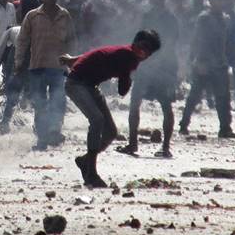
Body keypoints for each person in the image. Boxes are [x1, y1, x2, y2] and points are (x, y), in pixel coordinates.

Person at [61, 30, 162, 187]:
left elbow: (97, 54)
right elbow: (122, 90)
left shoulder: (127, 54)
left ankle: (85, 161)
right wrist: (129, 76)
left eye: (148, 52)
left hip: (90, 86)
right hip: (76, 84)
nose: (144, 53)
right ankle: (91, 173)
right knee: (97, 120)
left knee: (111, 132)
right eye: (143, 48)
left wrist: (73, 59)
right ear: (136, 43)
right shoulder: (128, 56)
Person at [118, 0, 179, 158]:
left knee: (166, 106)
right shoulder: (146, 15)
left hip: (164, 67)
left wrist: (156, 61)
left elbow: (170, 43)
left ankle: (166, 147)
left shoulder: (170, 19)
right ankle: (132, 144)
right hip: (145, 66)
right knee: (134, 103)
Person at [15, 0, 77, 150]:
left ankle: (55, 131)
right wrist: (19, 61)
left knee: (58, 101)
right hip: (38, 66)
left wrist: (72, 61)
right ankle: (42, 138)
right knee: (40, 103)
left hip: (59, 67)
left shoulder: (64, 15)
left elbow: (72, 40)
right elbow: (22, 41)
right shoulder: (32, 16)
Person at [179, 0, 235, 138]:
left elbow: (227, 42)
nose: (221, 2)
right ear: (211, 1)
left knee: (223, 97)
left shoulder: (225, 18)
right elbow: (199, 40)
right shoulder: (204, 18)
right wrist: (198, 61)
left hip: (220, 63)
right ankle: (183, 124)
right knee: (195, 95)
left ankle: (225, 128)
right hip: (204, 62)